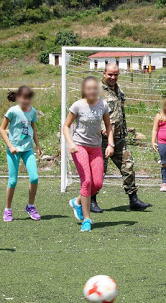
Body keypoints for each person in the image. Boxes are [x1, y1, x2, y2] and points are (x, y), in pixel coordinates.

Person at [90, 63, 151, 212]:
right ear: (104, 73)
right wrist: (101, 127)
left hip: (119, 137)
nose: (113, 77)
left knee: (128, 166)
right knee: (99, 171)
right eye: (110, 74)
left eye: (115, 74)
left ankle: (133, 199)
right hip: (101, 140)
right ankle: (91, 201)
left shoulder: (118, 89)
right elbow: (89, 113)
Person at [62, 76, 115, 232]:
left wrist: (110, 144)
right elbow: (66, 126)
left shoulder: (103, 105)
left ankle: (77, 201)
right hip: (79, 147)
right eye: (89, 88)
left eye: (95, 88)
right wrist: (70, 143)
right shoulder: (77, 106)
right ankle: (87, 219)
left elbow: (108, 126)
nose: (92, 91)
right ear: (84, 90)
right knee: (86, 182)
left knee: (97, 184)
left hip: (96, 147)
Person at [0, 86, 43, 222]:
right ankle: (7, 209)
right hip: (14, 150)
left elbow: (33, 129)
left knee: (34, 178)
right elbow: (2, 129)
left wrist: (38, 145)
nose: (26, 100)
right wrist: (10, 146)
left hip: (28, 149)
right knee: (13, 181)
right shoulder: (13, 111)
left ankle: (30, 206)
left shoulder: (33, 111)